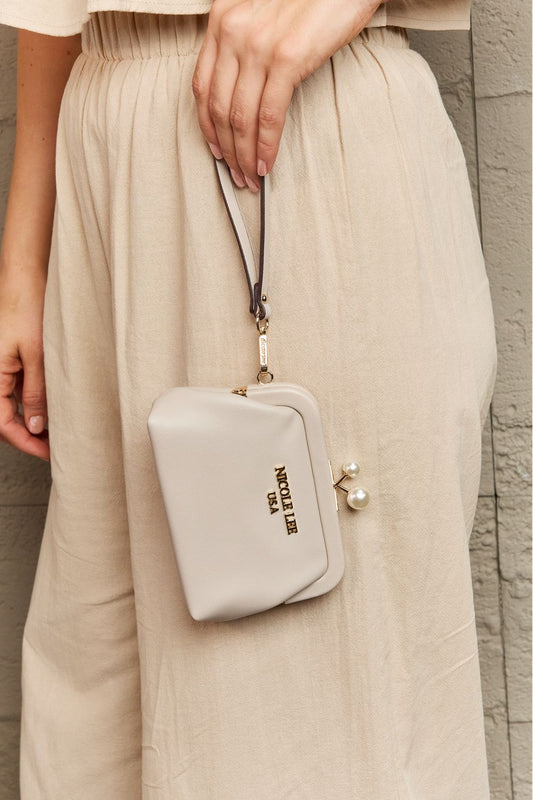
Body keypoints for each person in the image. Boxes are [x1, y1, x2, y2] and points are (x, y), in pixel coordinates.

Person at [0, 1, 498, 797]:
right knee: (98, 721)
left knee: (300, 730)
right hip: (101, 143)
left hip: (300, 125)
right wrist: (25, 258)